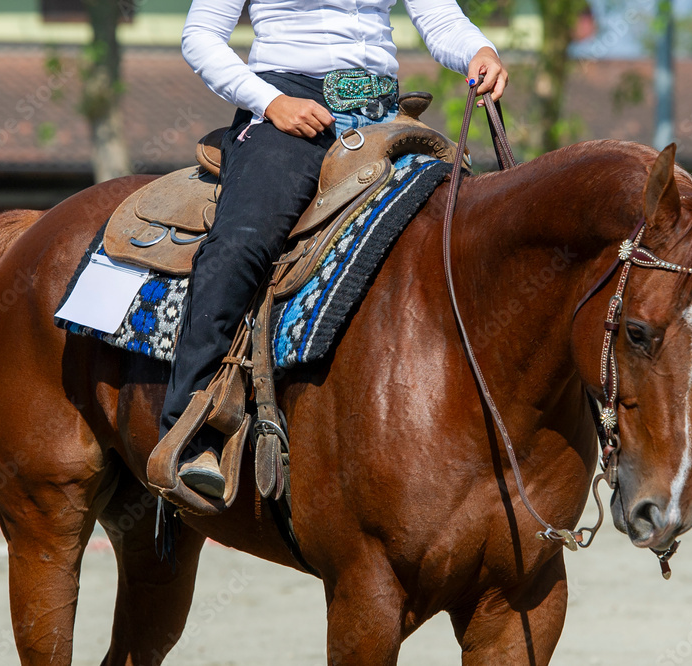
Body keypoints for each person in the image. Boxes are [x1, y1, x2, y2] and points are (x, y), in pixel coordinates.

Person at [159, 0, 509, 499]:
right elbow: (200, 36)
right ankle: (193, 422)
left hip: (386, 116)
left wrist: (480, 50)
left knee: (465, 232)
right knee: (242, 243)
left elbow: (441, 19)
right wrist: (270, 101)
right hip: (288, 110)